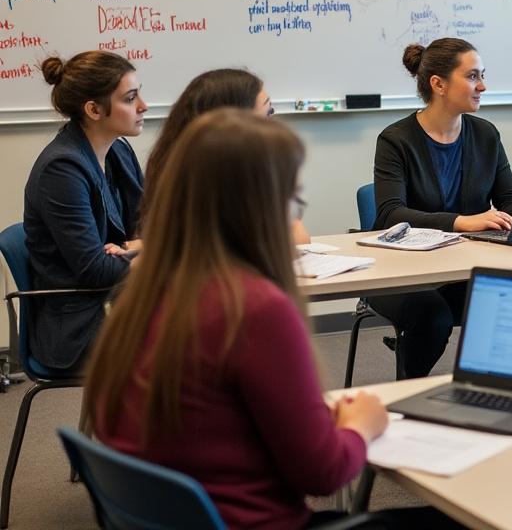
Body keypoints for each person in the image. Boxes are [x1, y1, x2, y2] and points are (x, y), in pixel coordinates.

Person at [83, 110, 449, 529]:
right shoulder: (254, 309)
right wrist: (360, 427)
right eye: (294, 200)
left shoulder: (146, 292)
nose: (297, 216)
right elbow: (324, 474)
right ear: (262, 208)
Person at [368, 38, 512, 378]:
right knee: (432, 317)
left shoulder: (485, 135)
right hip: (401, 276)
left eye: (482, 75)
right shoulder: (395, 140)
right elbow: (390, 214)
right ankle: (408, 392)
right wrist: (462, 221)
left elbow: (510, 198)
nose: (483, 86)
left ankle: (496, 398)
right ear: (438, 84)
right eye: (472, 76)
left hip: (464, 268)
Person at [23, 50, 147, 371]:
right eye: (130, 98)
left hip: (117, 299)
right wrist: (150, 254)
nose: (143, 106)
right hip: (79, 324)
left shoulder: (118, 150)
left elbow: (149, 227)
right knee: (198, 336)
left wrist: (137, 249)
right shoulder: (62, 169)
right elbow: (95, 270)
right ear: (93, 109)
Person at [144, 68, 310, 244]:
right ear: (234, 122)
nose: (273, 125)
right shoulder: (222, 179)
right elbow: (293, 241)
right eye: (267, 113)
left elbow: (295, 235)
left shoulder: (177, 167)